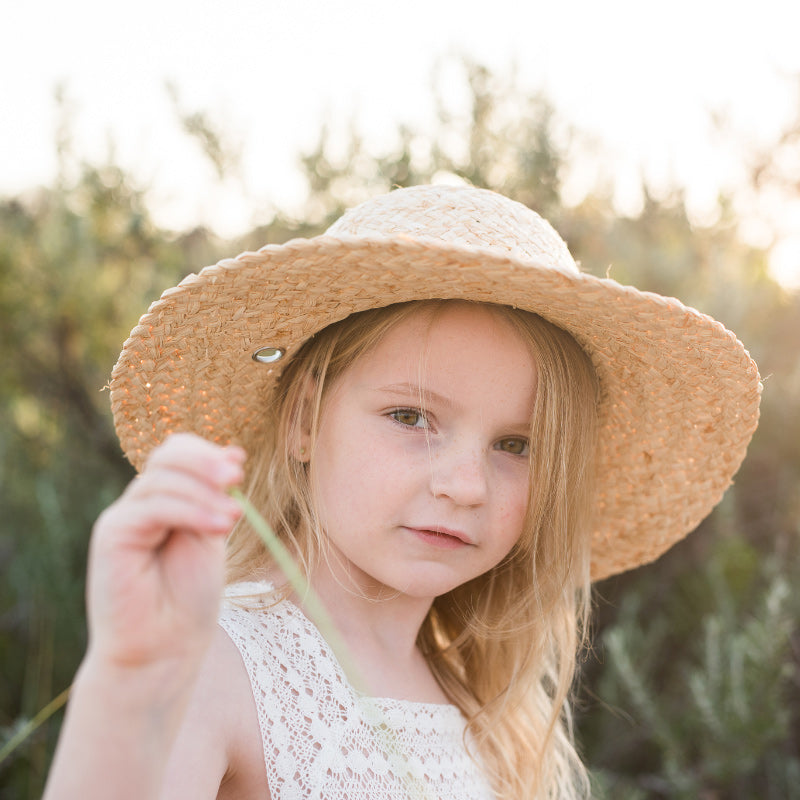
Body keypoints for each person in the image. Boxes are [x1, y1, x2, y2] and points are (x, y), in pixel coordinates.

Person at [42, 184, 761, 799]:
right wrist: (131, 683)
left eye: (516, 445)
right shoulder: (216, 663)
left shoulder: (483, 711)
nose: (464, 485)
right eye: (410, 417)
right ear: (302, 420)